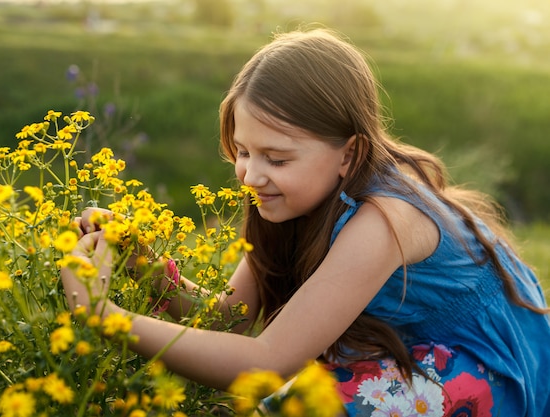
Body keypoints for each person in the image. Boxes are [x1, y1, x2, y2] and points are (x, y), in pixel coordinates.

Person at [60, 28, 550, 415]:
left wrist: (105, 317)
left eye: (276, 158)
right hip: (417, 350)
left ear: (349, 153)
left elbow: (266, 361)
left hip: (490, 367)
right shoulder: (291, 198)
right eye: (244, 151)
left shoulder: (383, 221)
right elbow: (229, 319)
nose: (251, 175)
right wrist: (144, 265)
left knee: (297, 403)